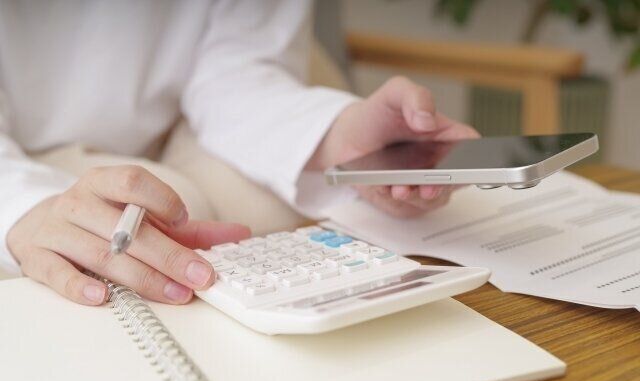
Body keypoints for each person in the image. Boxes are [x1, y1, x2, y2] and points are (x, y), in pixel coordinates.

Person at [0, 1, 478, 306]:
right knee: (149, 238)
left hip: (181, 117)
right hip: (21, 146)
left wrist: (336, 137)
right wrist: (24, 209)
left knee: (240, 214)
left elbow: (237, 71)